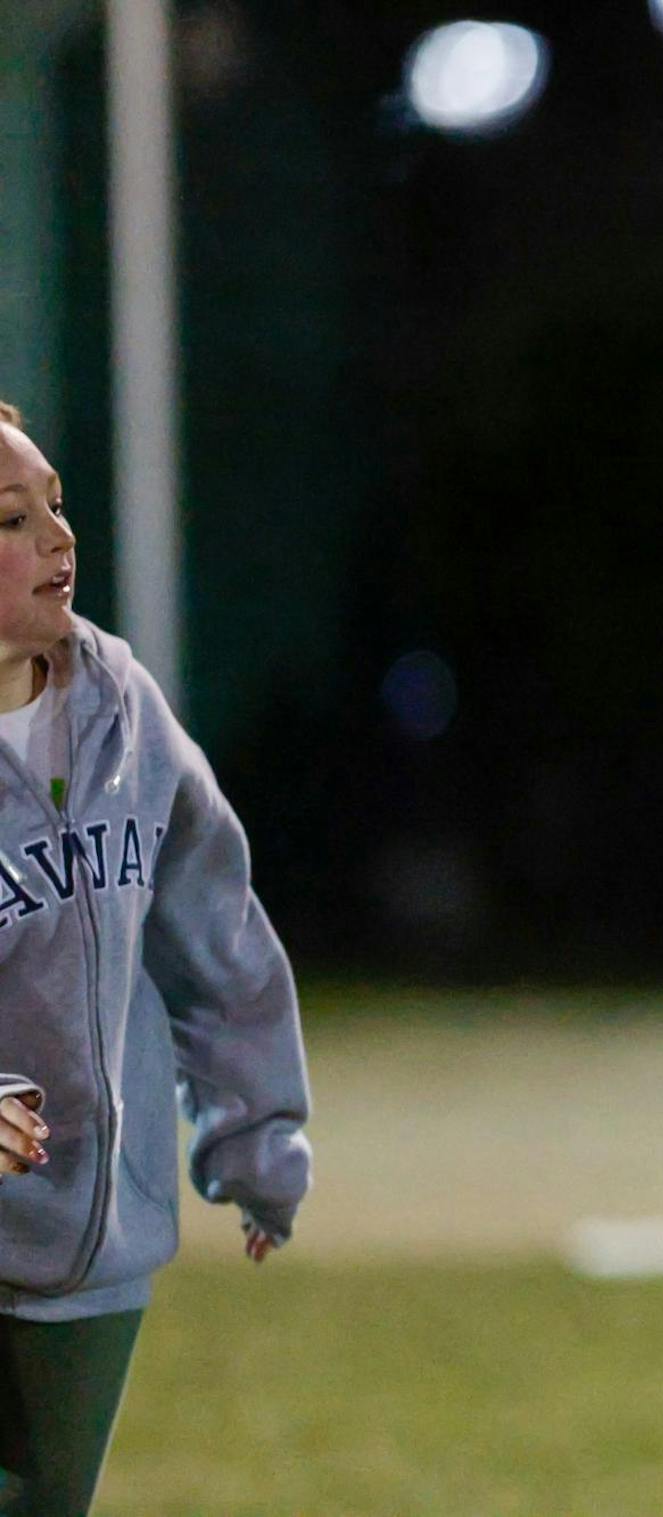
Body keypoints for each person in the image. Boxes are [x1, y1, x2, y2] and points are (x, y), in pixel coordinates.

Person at [0, 402, 311, 1517]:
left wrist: (258, 1130)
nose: (57, 536)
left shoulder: (122, 707)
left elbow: (214, 930)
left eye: (56, 505)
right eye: (11, 517)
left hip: (91, 1236)